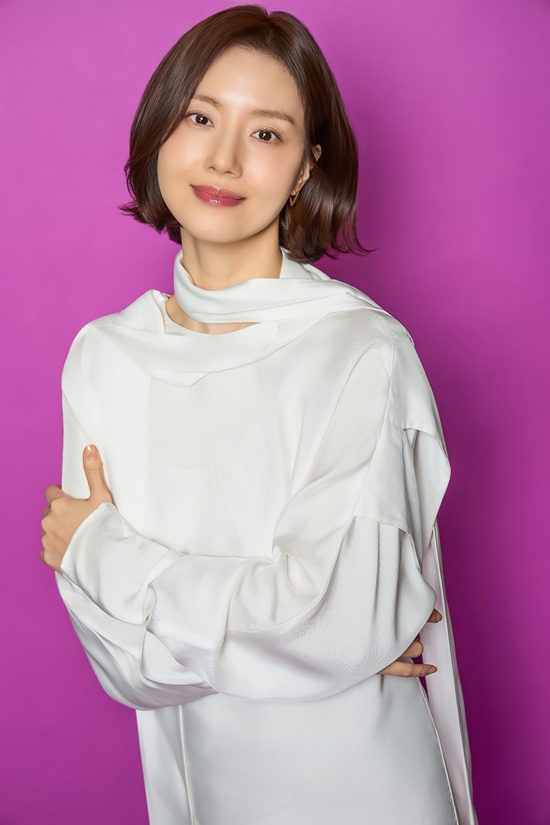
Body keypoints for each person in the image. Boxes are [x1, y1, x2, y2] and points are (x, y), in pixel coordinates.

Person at [40, 6, 478, 824]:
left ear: (307, 167)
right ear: (160, 129)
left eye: (267, 133)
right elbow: (122, 665)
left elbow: (334, 621)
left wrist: (101, 552)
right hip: (202, 795)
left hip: (366, 788)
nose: (225, 158)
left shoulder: (361, 351)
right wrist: (309, 640)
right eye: (201, 117)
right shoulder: (106, 357)